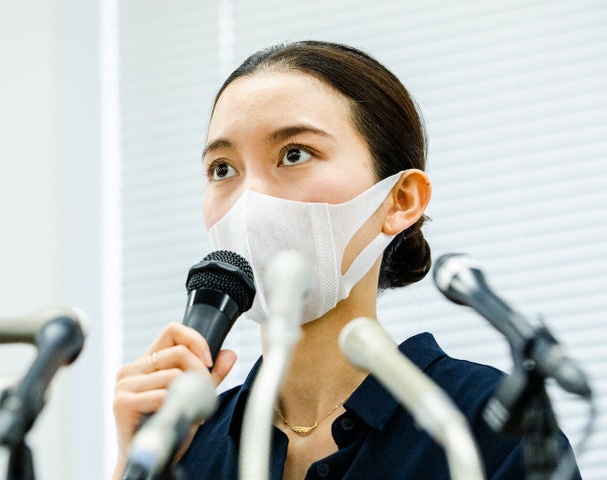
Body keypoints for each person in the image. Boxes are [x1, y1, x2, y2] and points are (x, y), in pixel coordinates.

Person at [112, 40, 580, 480]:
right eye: (223, 169)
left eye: (294, 154)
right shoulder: (188, 443)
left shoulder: (484, 425)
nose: (248, 201)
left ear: (400, 199)